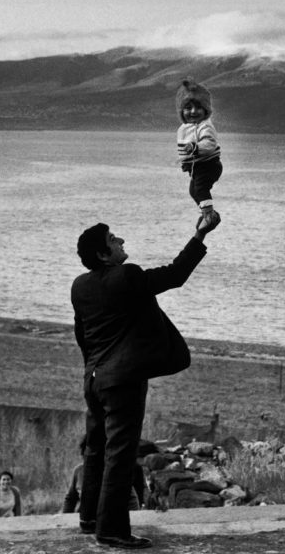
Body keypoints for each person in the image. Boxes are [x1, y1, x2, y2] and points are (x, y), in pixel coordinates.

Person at [71, 212, 220, 549]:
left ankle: (89, 517)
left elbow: (82, 334)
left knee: (96, 449)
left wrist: (91, 370)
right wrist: (200, 236)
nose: (121, 241)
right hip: (121, 382)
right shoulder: (126, 276)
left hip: (93, 380)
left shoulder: (80, 286)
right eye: (113, 239)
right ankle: (111, 530)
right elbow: (176, 275)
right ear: (103, 255)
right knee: (120, 455)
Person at [175, 79, 223, 225]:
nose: (193, 111)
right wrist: (186, 163)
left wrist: (196, 148)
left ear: (206, 110)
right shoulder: (185, 127)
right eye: (188, 108)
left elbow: (209, 144)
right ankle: (206, 211)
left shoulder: (205, 126)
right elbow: (185, 150)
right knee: (193, 191)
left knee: (201, 189)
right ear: (182, 111)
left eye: (198, 107)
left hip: (209, 165)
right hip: (197, 167)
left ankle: (209, 215)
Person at [61, 435, 148, 514]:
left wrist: (133, 520)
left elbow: (132, 500)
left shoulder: (116, 471)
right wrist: (65, 519)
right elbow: (70, 499)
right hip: (85, 521)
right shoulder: (79, 471)